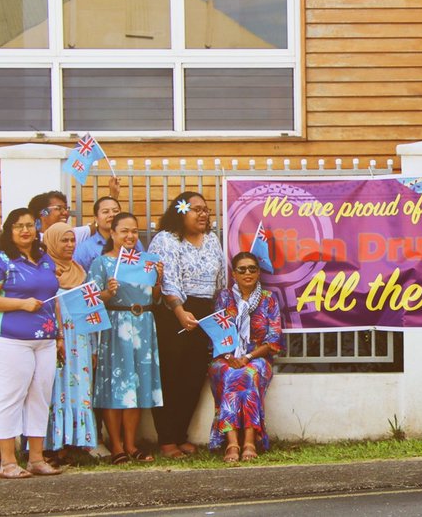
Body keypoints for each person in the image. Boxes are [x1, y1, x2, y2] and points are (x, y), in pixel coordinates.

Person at [0, 207, 62, 479]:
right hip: (10, 338)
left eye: (29, 225)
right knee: (12, 395)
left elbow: (53, 297)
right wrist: (21, 304)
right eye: (18, 226)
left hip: (45, 339)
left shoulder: (44, 259)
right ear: (9, 231)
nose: (25, 230)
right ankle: (8, 461)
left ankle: (36, 458)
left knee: (40, 396)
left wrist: (58, 335)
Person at [149, 191, 225, 459]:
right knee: (171, 377)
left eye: (206, 209)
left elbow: (221, 279)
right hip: (175, 313)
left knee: (193, 376)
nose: (203, 214)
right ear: (181, 212)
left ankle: (180, 434)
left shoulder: (213, 241)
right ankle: (167, 439)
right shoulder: (166, 240)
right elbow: (167, 277)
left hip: (206, 313)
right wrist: (179, 311)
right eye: (196, 209)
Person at [90, 212, 163, 464]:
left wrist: (158, 280)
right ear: (113, 234)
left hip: (143, 324)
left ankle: (132, 444)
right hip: (116, 326)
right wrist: (107, 293)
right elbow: (92, 300)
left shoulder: (146, 262)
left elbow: (153, 297)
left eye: (134, 231)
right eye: (124, 231)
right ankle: (116, 445)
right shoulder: (102, 263)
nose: (130, 236)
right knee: (115, 385)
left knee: (137, 386)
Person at [208, 252, 283, 462]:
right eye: (242, 269)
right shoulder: (224, 298)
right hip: (227, 356)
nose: (247, 273)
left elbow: (274, 339)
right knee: (231, 373)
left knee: (247, 374)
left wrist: (247, 356)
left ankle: (249, 439)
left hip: (258, 357)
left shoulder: (268, 299)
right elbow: (217, 332)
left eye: (252, 268)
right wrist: (231, 356)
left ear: (259, 272)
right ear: (234, 273)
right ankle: (232, 442)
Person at [42, 221, 98, 463]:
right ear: (52, 242)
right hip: (56, 339)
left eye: (72, 240)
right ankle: (53, 445)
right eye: (64, 240)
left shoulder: (80, 272)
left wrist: (94, 347)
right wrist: (56, 337)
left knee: (79, 389)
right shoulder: (45, 272)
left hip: (81, 341)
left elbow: (90, 310)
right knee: (55, 389)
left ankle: (77, 442)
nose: (69, 245)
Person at [72, 195, 143, 271]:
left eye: (115, 211)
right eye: (105, 212)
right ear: (96, 218)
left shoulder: (132, 240)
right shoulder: (85, 249)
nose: (112, 215)